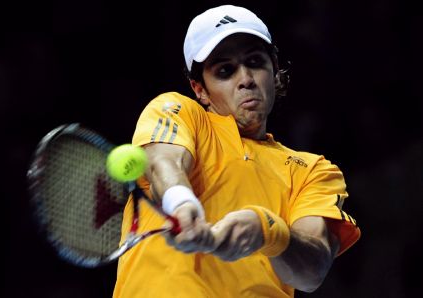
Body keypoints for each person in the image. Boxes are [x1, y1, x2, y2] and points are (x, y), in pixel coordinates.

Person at [113, 4, 360, 297]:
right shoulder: (179, 113)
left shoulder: (313, 171)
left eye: (255, 62)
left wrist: (269, 232)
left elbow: (312, 273)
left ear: (275, 72)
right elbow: (163, 162)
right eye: (225, 71)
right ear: (199, 89)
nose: (245, 79)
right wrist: (181, 203)